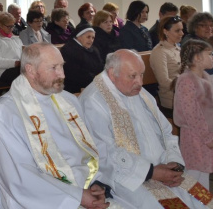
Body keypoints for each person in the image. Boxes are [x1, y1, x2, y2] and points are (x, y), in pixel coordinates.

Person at [0, 43, 115, 209]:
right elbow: (19, 175)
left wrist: (97, 183)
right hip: (38, 199)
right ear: (30, 70)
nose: (62, 74)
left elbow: (89, 148)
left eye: (62, 66)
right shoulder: (6, 112)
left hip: (81, 188)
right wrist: (77, 197)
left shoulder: (68, 100)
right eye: (54, 68)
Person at [80, 49, 213, 209]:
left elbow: (166, 132)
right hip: (126, 179)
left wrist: (175, 164)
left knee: (204, 200)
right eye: (133, 76)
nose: (140, 82)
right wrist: (151, 172)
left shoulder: (140, 93)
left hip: (163, 168)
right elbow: (104, 153)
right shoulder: (94, 101)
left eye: (141, 74)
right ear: (112, 74)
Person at [173, 39, 213, 185]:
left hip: (205, 134)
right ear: (197, 58)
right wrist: (208, 138)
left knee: (203, 173)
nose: (212, 57)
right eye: (209, 54)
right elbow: (192, 115)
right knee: (193, 176)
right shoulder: (186, 81)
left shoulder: (205, 77)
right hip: (195, 137)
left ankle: (204, 204)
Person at [149, 15, 184, 116]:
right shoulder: (160, 52)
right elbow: (164, 81)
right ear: (165, 31)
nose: (182, 33)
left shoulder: (177, 48)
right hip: (172, 98)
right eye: (177, 31)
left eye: (182, 30)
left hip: (184, 94)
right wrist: (186, 86)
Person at [61, 27, 104, 94]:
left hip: (93, 84)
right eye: (88, 37)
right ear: (79, 37)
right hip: (75, 88)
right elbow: (75, 73)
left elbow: (100, 66)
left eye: (93, 38)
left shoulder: (94, 49)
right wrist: (97, 80)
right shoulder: (68, 50)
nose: (91, 40)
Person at [0, 12, 24, 85]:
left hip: (16, 67)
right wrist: (15, 63)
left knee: (30, 71)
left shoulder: (15, 38)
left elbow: (22, 53)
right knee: (24, 74)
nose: (11, 29)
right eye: (8, 26)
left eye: (12, 26)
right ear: (1, 25)